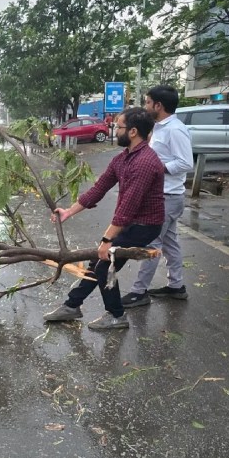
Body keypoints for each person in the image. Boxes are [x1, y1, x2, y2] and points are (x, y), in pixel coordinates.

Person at [43, 107, 165, 330]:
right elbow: (99, 188)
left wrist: (106, 240)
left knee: (102, 266)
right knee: (98, 263)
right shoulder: (124, 158)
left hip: (144, 226)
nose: (113, 130)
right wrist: (69, 211)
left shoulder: (145, 163)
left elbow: (127, 208)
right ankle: (72, 305)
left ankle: (117, 316)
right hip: (130, 223)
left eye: (118, 127)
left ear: (133, 131)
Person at [121, 85, 194, 308]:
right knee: (170, 242)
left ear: (158, 105)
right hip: (160, 195)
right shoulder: (158, 128)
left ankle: (139, 291)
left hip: (168, 197)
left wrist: (156, 168)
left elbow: (186, 163)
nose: (145, 106)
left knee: (151, 243)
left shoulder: (175, 130)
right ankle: (176, 286)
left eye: (147, 102)